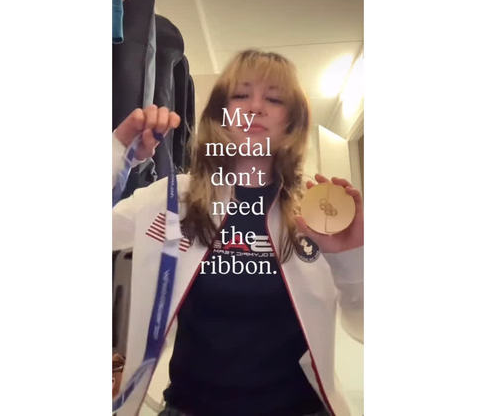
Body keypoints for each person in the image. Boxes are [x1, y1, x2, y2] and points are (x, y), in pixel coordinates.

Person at [112, 50, 363, 416]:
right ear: (220, 113)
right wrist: (119, 152)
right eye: (241, 95)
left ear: (292, 121)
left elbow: (363, 326)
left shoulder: (318, 208)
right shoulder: (170, 199)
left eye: (274, 99)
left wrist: (352, 257)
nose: (255, 107)